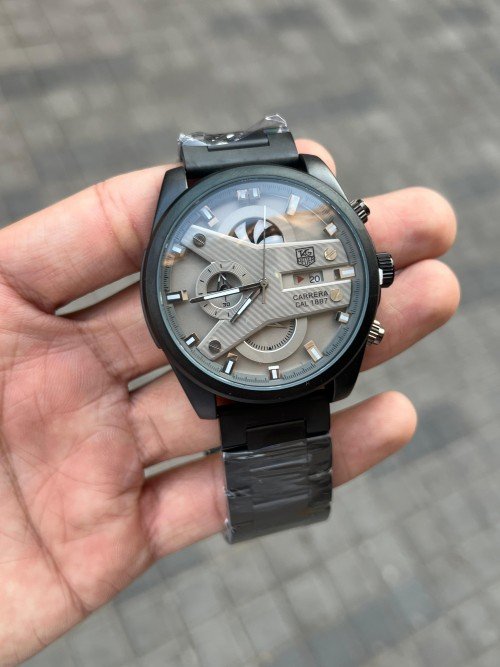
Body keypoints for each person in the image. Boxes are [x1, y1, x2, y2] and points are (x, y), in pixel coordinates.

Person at [0, 140, 459, 664]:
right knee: (218, 348)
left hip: (309, 364)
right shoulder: (219, 215)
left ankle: (281, 499)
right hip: (266, 362)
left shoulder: (290, 205)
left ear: (377, 271)